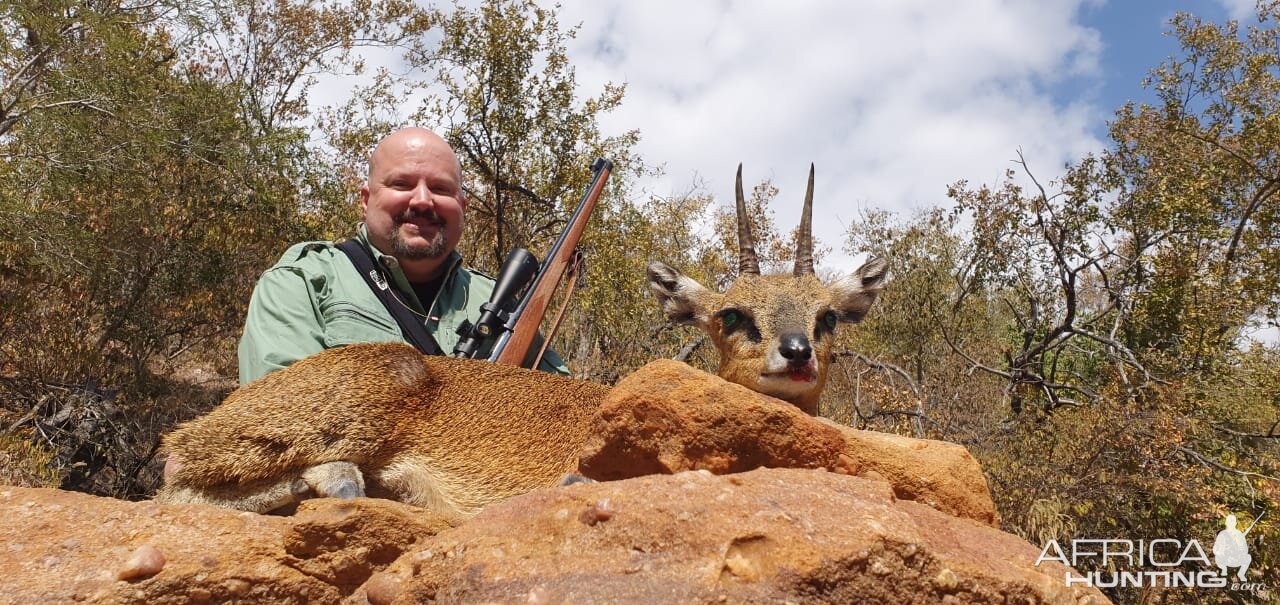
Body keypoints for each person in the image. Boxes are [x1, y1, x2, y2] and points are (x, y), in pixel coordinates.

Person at [236, 126, 569, 384]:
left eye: (441, 189)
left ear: (462, 208)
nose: (423, 200)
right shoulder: (304, 279)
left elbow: (563, 410)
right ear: (367, 200)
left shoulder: (502, 305)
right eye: (402, 185)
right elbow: (280, 409)